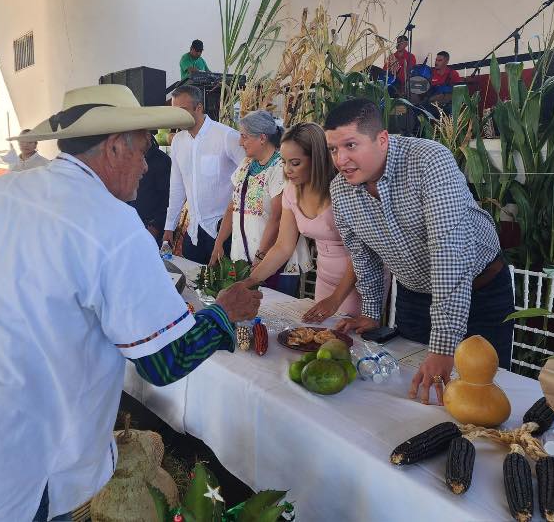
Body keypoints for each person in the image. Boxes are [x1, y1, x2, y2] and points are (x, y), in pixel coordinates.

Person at [0, 84, 262, 522]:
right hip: (0, 470)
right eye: (143, 148)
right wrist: (224, 313)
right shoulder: (114, 225)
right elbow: (166, 361)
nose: (148, 164)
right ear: (115, 147)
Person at [324, 98, 513, 406]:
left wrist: (442, 346)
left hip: (480, 291)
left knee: (482, 392)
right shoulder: (341, 190)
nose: (341, 159)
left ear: (382, 139)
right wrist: (372, 312)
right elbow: (363, 256)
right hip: (414, 296)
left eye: (350, 145)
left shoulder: (428, 160)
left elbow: (449, 253)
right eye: (333, 149)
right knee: (411, 389)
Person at [243, 122, 360, 320]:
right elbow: (283, 247)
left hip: (357, 281)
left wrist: (336, 299)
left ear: (317, 160)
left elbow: (362, 253)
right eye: (284, 162)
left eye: (295, 163)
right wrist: (249, 281)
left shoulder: (345, 191)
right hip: (325, 278)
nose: (287, 170)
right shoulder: (291, 191)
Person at [211, 111, 312, 298]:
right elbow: (232, 207)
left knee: (275, 314)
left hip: (274, 260)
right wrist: (219, 243)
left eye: (244, 136)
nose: (240, 142)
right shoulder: (245, 165)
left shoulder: (281, 167)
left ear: (262, 138)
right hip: (244, 257)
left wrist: (261, 256)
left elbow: (277, 217)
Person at [163, 85, 244, 264]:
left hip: (225, 231)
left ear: (198, 108)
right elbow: (177, 187)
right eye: (174, 111)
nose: (177, 116)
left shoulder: (226, 136)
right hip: (194, 232)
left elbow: (249, 177)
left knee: (225, 287)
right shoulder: (178, 141)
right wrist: (169, 226)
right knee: (195, 286)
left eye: (182, 110)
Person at [129, 134, 171, 244]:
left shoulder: (162, 161)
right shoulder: (128, 155)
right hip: (131, 222)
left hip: (150, 227)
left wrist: (155, 226)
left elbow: (167, 199)